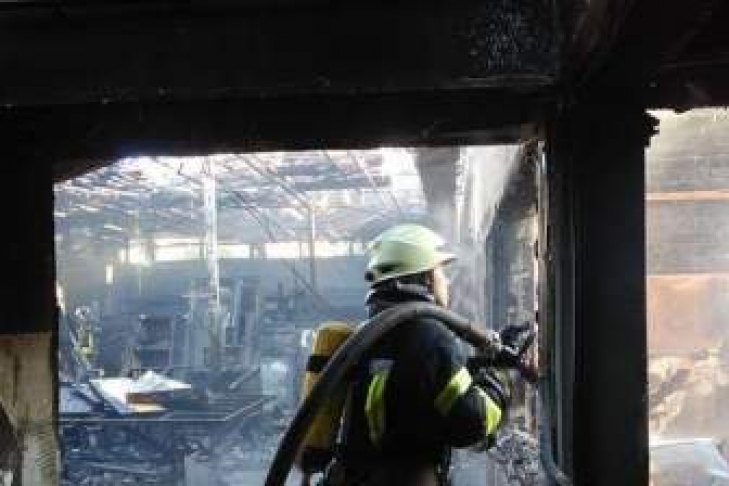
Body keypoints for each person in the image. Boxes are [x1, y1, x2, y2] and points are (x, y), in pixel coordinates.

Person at [332, 224, 513, 486]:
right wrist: (500, 377)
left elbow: (420, 389)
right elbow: (472, 423)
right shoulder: (430, 336)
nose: (446, 281)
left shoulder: (368, 336)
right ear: (427, 278)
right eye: (441, 272)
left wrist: (477, 365)